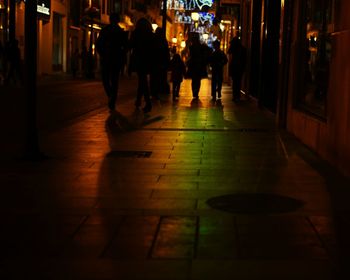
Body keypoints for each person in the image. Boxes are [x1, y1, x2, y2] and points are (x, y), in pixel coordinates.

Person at [96, 12, 127, 111]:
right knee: (114, 80)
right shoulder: (120, 32)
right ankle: (112, 99)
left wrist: (102, 53)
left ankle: (111, 96)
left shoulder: (105, 30)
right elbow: (125, 47)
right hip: (116, 59)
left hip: (107, 59)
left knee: (106, 79)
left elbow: (98, 44)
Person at [129, 17, 155, 113]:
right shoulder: (151, 35)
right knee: (142, 80)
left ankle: (148, 103)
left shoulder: (136, 33)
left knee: (142, 80)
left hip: (139, 59)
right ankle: (138, 101)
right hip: (148, 59)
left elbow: (131, 45)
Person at [186, 33, 210, 99]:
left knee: (194, 80)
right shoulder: (201, 46)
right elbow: (208, 50)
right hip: (199, 65)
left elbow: (190, 56)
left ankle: (194, 92)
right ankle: (196, 92)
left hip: (194, 65)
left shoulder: (191, 47)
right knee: (197, 80)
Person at [228, 37, 247, 102]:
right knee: (238, 82)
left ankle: (236, 96)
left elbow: (229, 51)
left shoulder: (235, 48)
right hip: (239, 67)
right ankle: (237, 96)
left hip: (235, 67)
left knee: (235, 82)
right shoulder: (242, 49)